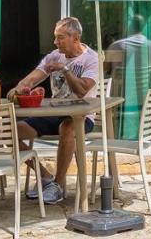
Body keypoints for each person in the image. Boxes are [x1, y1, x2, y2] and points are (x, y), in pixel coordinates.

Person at [9, 16, 99, 205]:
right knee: (9, 132)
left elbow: (82, 91)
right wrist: (18, 87)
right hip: (54, 113)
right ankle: (46, 177)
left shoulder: (91, 58)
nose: (55, 42)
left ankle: (58, 185)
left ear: (75, 38)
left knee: (68, 127)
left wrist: (65, 69)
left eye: (60, 37)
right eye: (55, 37)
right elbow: (32, 78)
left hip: (82, 117)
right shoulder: (53, 56)